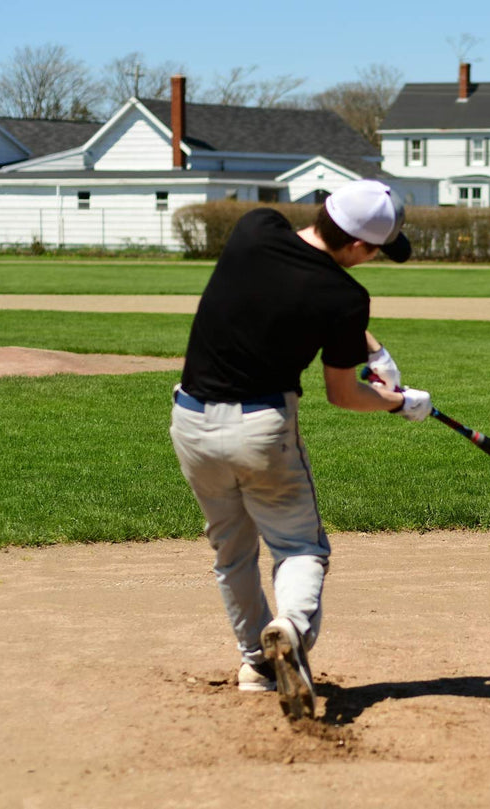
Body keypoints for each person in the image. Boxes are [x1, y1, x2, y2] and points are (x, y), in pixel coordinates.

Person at [169, 180, 431, 720]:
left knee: (231, 553)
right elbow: (343, 394)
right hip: (261, 431)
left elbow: (293, 277)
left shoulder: (254, 228)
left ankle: (256, 666)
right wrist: (397, 402)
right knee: (300, 549)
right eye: (376, 251)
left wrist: (374, 348)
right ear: (359, 247)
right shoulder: (344, 298)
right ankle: (290, 628)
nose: (375, 259)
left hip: (190, 423)